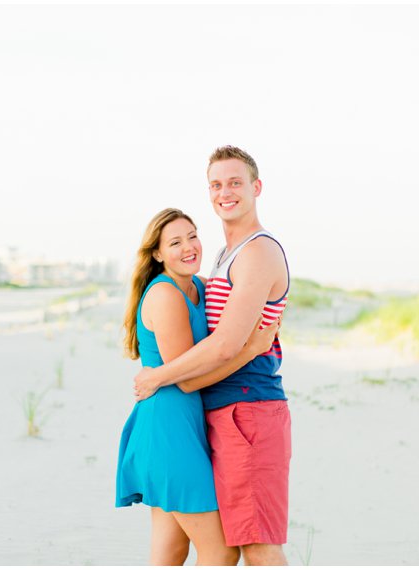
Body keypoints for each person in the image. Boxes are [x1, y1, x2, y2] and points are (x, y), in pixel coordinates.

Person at [134, 146, 291, 566]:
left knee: (255, 543)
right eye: (217, 184)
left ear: (256, 188)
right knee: (190, 547)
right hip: (215, 415)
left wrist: (160, 375)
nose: (226, 192)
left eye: (235, 182)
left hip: (248, 408)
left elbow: (224, 344)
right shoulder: (221, 260)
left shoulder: (256, 251)